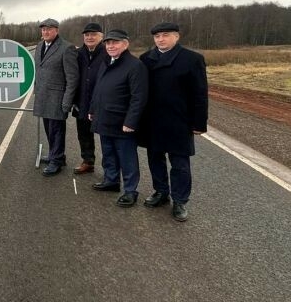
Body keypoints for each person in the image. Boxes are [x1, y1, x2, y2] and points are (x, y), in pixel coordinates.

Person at [139, 22, 208, 222]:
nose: (161, 39)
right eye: (157, 36)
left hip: (179, 120)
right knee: (155, 159)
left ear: (176, 37)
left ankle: (180, 201)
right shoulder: (146, 59)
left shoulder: (192, 59)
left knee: (180, 163)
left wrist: (199, 123)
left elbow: (200, 93)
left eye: (166, 35)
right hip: (152, 119)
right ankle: (161, 192)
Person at [89, 29, 148, 207]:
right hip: (104, 118)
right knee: (108, 153)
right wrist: (93, 109)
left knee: (127, 157)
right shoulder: (107, 62)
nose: (111, 46)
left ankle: (130, 191)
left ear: (125, 44)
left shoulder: (134, 66)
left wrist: (131, 121)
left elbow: (139, 97)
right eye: (108, 43)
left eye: (115, 42)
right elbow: (98, 88)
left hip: (122, 122)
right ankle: (111, 180)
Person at [33, 18, 79, 176]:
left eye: (49, 29)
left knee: (57, 130)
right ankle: (56, 155)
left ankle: (57, 160)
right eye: (43, 29)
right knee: (49, 129)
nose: (46, 31)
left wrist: (67, 101)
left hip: (57, 98)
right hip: (43, 96)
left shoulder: (67, 48)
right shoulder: (40, 46)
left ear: (57, 30)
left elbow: (72, 78)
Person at [72, 23, 108, 175]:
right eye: (87, 35)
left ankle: (110, 171)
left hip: (103, 102)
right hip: (82, 101)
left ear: (101, 36)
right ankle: (88, 161)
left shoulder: (108, 52)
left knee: (106, 138)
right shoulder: (78, 53)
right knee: (84, 134)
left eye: (93, 34)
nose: (89, 37)